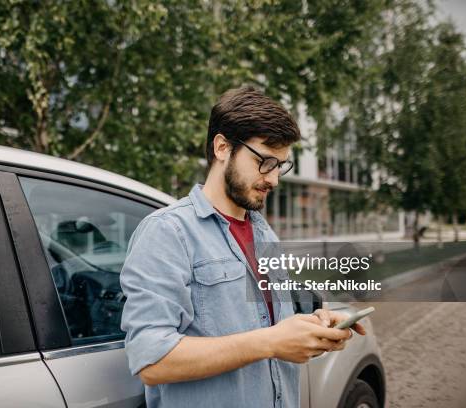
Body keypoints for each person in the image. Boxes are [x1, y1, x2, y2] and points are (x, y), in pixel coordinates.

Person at [120, 86, 365, 408]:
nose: (274, 179)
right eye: (265, 161)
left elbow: (271, 322)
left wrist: (314, 325)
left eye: (281, 165)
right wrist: (271, 342)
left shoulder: (264, 233)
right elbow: (152, 361)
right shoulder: (167, 232)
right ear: (222, 147)